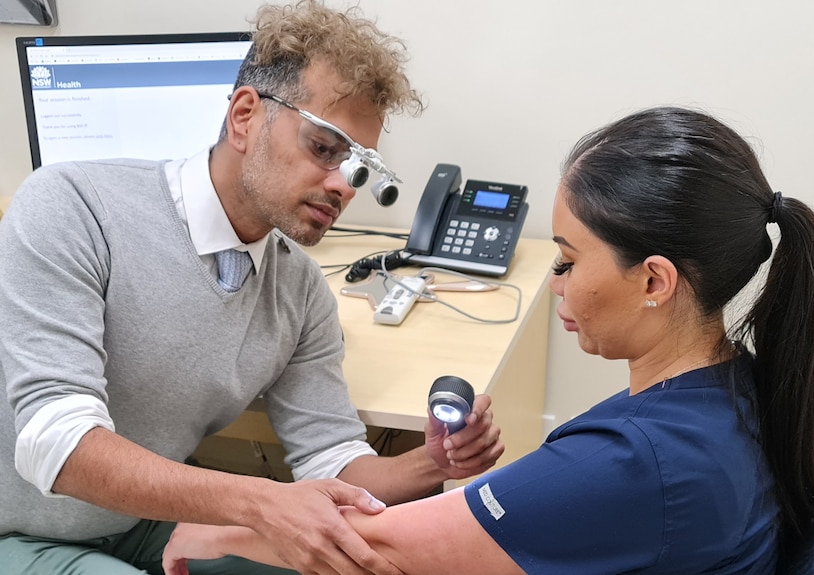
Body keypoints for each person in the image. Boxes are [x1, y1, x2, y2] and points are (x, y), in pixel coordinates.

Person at [160, 106, 814, 575]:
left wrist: (219, 528)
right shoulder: (737, 386)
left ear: (655, 280)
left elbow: (371, 548)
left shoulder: (634, 463)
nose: (554, 281)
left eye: (568, 259)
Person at [0, 2, 505, 574]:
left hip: (141, 522)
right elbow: (56, 446)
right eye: (324, 148)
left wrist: (431, 464)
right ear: (244, 116)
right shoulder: (73, 207)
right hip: (18, 531)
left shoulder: (299, 287)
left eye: (360, 167)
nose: (343, 186)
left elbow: (332, 460)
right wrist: (262, 502)